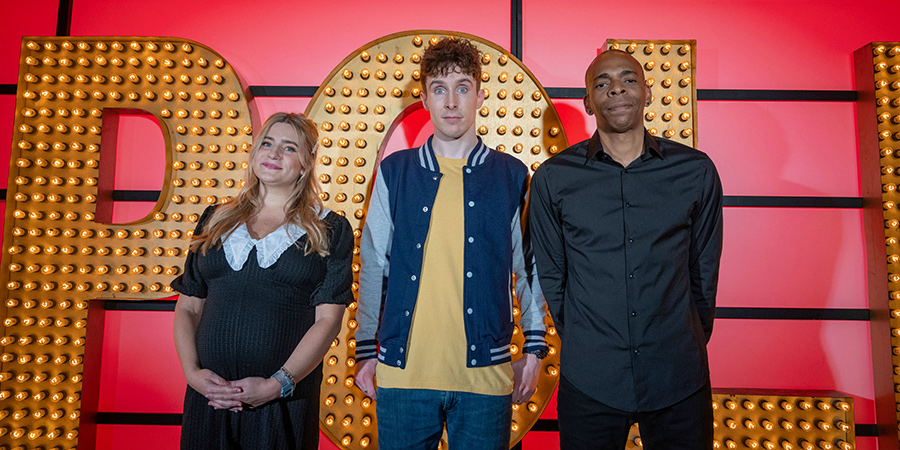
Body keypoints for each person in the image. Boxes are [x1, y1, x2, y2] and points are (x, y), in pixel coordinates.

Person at [354, 36, 548, 449]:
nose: (451, 102)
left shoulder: (511, 175)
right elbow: (374, 264)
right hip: (402, 374)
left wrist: (533, 349)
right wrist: (366, 349)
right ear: (424, 98)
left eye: (463, 87)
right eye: (439, 89)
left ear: (480, 96)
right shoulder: (396, 171)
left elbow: (529, 268)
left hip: (485, 377)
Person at [529, 49, 723, 449]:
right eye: (601, 82)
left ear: (647, 92)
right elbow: (553, 275)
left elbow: (703, 269)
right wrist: (588, 339)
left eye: (627, 78)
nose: (616, 88)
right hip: (591, 379)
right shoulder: (553, 179)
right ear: (587, 101)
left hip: (678, 375)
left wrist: (683, 338)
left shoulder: (695, 170)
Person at [171, 112, 353, 449]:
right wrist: (193, 374)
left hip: (282, 404)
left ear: (306, 164)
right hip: (209, 398)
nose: (273, 154)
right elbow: (189, 308)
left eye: (288, 148)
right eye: (267, 144)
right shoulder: (215, 219)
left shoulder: (330, 228)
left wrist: (278, 384)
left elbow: (328, 321)